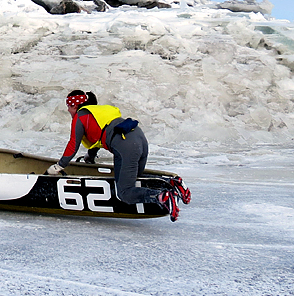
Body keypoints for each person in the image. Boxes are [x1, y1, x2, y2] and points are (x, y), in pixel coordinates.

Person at [46, 90, 190, 221]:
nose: (68, 110)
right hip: (139, 137)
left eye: (69, 106)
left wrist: (59, 166)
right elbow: (100, 135)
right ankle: (172, 182)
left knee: (125, 193)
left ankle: (161, 197)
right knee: (133, 178)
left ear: (75, 106)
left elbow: (73, 144)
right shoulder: (98, 111)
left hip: (125, 146)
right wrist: (90, 156)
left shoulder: (80, 116)